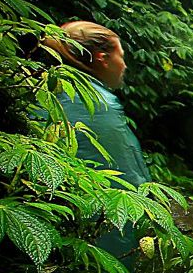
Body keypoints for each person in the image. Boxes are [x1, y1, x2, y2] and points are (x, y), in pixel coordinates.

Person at [47, 21, 152, 257]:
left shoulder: (49, 87)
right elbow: (122, 170)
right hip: (98, 222)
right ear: (103, 58)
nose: (124, 65)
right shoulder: (98, 102)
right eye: (121, 57)